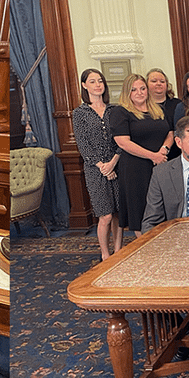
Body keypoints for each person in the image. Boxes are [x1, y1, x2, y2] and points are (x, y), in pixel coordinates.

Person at [110, 74, 172, 237]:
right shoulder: (120, 112)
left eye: (142, 88)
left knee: (162, 206)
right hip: (136, 169)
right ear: (127, 92)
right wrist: (153, 156)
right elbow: (123, 142)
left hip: (160, 165)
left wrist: (163, 151)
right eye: (134, 90)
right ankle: (146, 248)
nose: (139, 93)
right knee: (140, 210)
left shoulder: (158, 109)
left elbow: (170, 133)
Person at [71, 69, 124, 259]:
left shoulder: (114, 110)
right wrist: (103, 166)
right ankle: (105, 254)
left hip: (117, 165)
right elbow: (83, 145)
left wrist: (113, 162)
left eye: (100, 81)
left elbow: (122, 139)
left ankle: (118, 251)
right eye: (92, 81)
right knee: (105, 215)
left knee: (118, 213)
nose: (98, 85)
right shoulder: (80, 113)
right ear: (84, 85)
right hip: (95, 170)